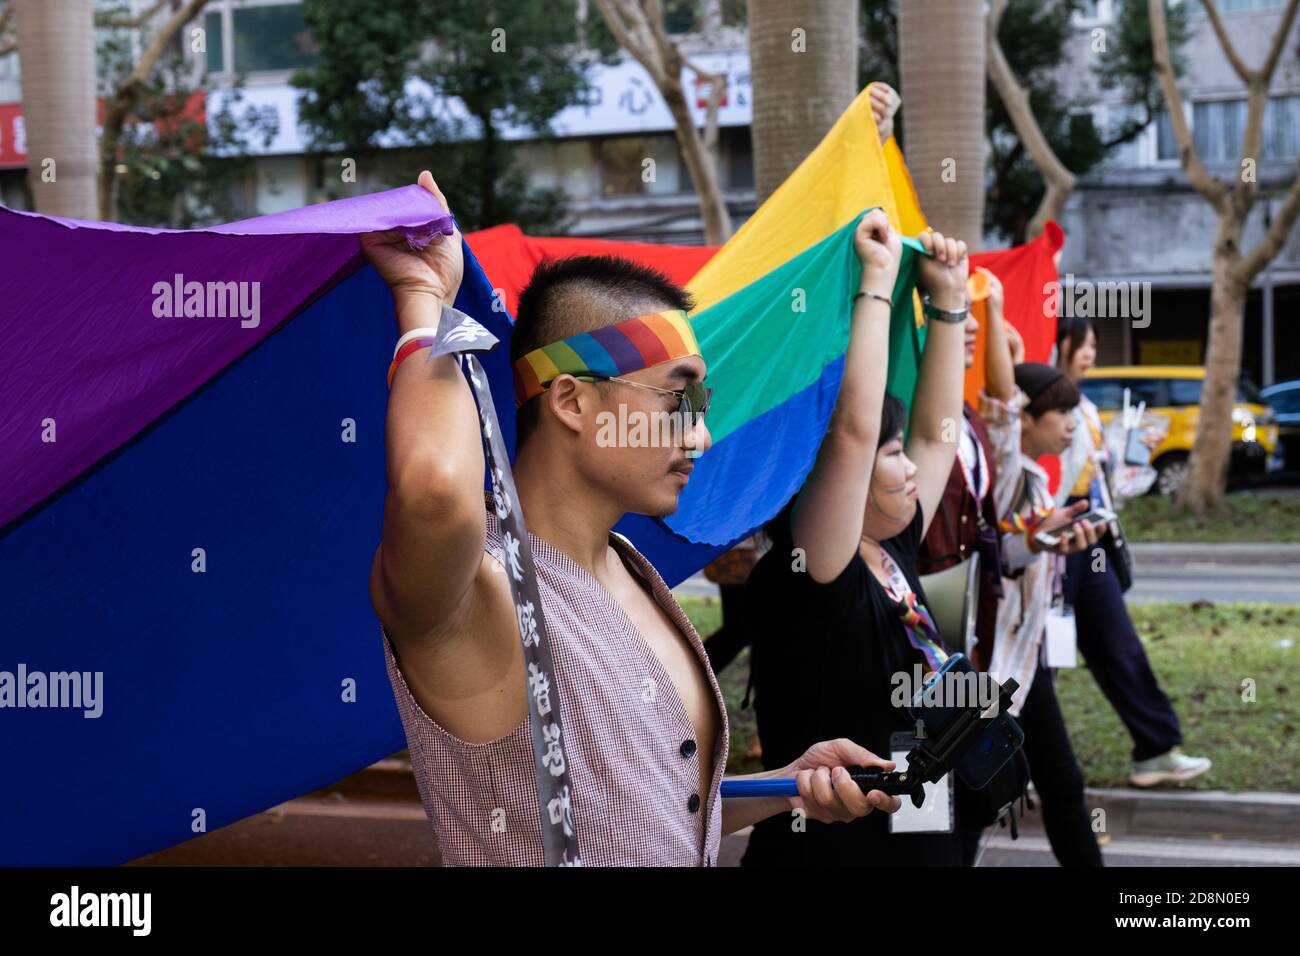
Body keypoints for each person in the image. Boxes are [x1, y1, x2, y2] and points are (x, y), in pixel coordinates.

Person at [363, 172, 901, 866]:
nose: (699, 435)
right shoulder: (481, 591)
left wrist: (788, 785)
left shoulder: (632, 571)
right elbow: (434, 489)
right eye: (678, 396)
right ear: (573, 402)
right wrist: (423, 298)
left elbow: (656, 810)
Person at [742, 211, 977, 866]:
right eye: (892, 456)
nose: (912, 470)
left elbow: (939, 437)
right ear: (834, 482)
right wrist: (874, 284)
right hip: (832, 849)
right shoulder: (816, 565)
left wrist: (950, 298)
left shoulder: (891, 549)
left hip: (916, 820)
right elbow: (851, 429)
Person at [1054, 317, 1211, 787]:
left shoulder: (1081, 404)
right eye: (1085, 345)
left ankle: (1156, 750)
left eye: (1095, 346)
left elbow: (1103, 480)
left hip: (1093, 542)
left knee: (1119, 645)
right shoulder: (1039, 400)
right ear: (1062, 344)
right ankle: (1014, 764)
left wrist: (1133, 455)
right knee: (1037, 663)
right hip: (1049, 545)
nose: (1091, 353)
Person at [986, 361, 1109, 866]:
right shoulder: (1004, 468)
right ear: (1026, 418)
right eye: (1061, 412)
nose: (1071, 424)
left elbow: (1018, 548)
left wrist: (1046, 540)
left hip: (1025, 661)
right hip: (989, 669)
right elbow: (1004, 552)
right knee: (977, 800)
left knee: (1063, 785)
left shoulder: (1036, 478)